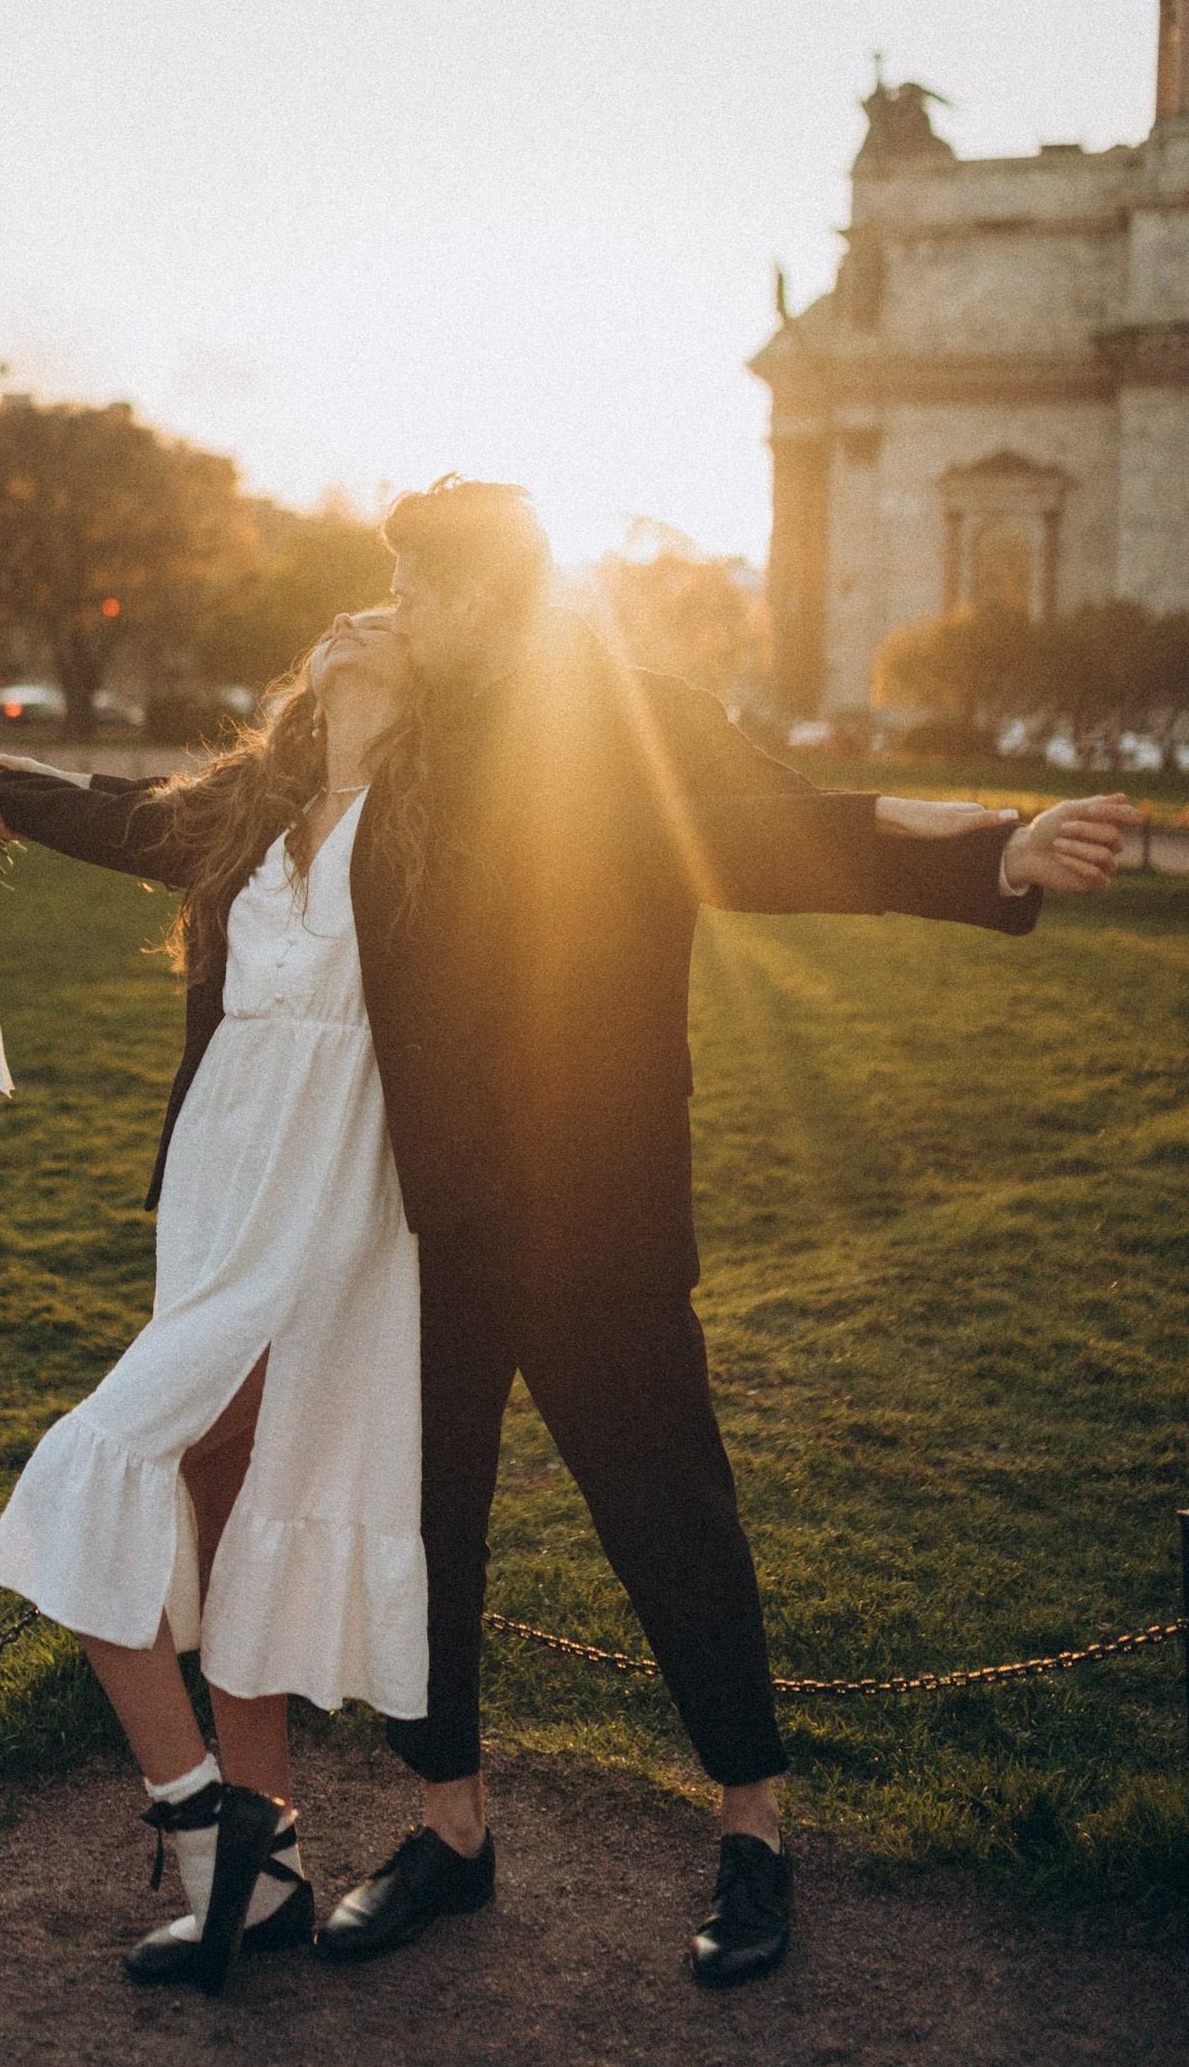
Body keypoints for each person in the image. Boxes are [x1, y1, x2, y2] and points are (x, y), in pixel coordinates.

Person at [303, 479, 1128, 1989]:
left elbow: (778, 836)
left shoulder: (642, 717)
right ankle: (452, 1827)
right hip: (420, 1216)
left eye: (423, 588)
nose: (401, 611)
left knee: (669, 1521)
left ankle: (753, 1826)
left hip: (599, 1210)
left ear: (494, 595)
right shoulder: (389, 725)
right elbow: (218, 838)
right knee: (425, 1529)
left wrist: (993, 856)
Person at [0, 609, 429, 1995]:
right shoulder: (254, 809)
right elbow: (117, 815)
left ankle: (206, 1825)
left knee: (102, 1460)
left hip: (342, 1198)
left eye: (396, 611)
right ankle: (254, 1865)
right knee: (216, 1479)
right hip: (222, 1183)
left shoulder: (453, 815)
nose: (361, 618)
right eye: (344, 615)